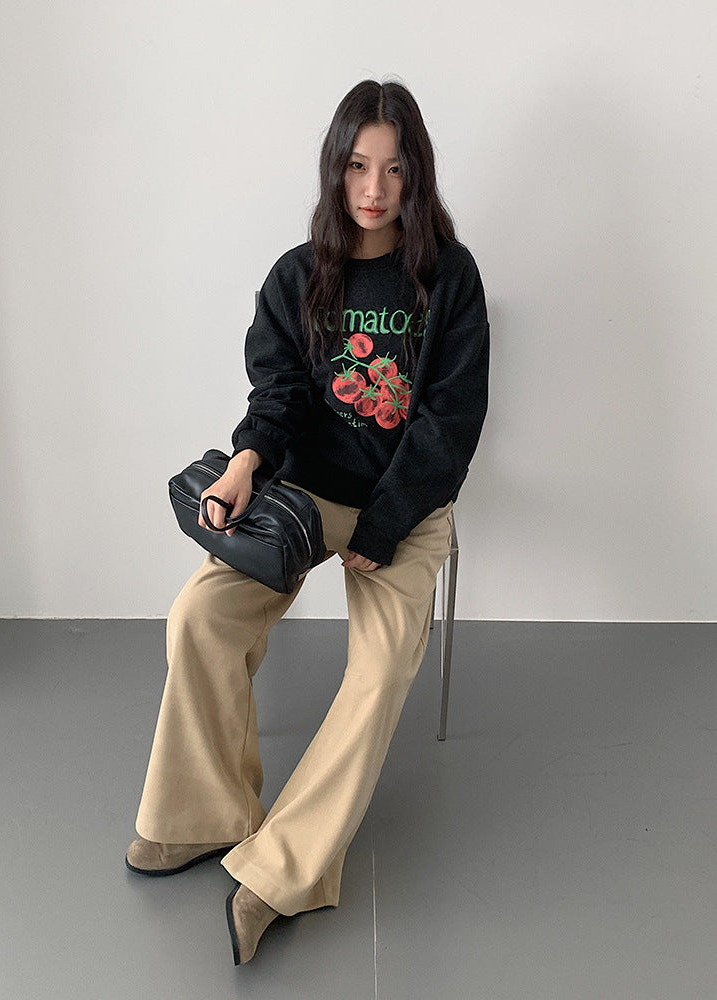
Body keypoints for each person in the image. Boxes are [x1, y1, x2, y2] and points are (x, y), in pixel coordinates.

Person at [125, 78, 489, 965]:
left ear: (416, 175)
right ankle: (206, 813)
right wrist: (246, 461)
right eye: (358, 167)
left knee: (380, 670)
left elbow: (450, 423)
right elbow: (278, 394)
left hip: (406, 506)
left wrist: (383, 525)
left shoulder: (451, 277)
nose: (375, 189)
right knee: (200, 615)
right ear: (335, 169)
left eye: (394, 169)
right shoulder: (298, 274)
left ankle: (283, 871)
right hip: (303, 495)